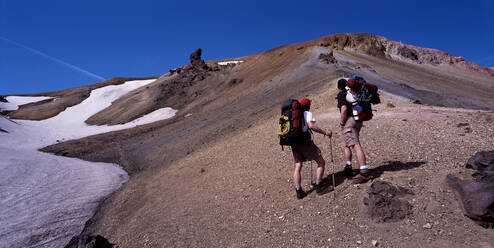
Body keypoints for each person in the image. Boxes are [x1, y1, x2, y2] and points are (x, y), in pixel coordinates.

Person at [292, 98, 333, 199]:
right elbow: (311, 126)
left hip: (294, 143)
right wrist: (325, 132)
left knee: (298, 165)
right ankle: (319, 187)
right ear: (308, 106)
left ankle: (298, 191)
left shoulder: (293, 115)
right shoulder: (307, 113)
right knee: (321, 162)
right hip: (305, 143)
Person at [336, 78, 371, 184]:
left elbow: (344, 109)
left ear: (339, 87)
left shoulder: (342, 94)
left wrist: (342, 123)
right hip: (358, 120)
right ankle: (348, 166)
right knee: (346, 144)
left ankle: (364, 172)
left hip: (349, 122)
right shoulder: (353, 93)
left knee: (356, 145)